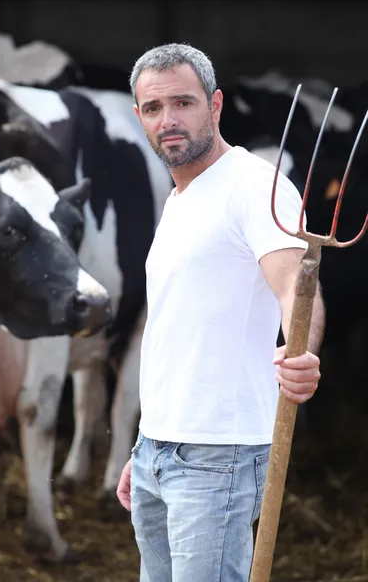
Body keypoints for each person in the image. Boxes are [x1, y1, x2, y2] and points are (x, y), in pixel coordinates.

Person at [116, 43, 325, 582]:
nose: (170, 121)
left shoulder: (254, 186)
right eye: (154, 109)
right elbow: (179, 331)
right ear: (138, 116)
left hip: (219, 456)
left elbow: (299, 289)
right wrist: (147, 446)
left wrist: (300, 352)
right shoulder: (180, 198)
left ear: (216, 105)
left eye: (183, 103)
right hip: (159, 451)